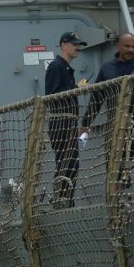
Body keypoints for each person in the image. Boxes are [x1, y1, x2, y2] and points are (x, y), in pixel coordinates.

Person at [45, 31, 85, 207]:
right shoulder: (56, 67)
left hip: (67, 124)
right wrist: (76, 89)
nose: (78, 47)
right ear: (64, 45)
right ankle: (62, 203)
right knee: (66, 164)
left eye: (79, 45)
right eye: (74, 44)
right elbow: (52, 96)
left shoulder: (66, 68)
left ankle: (65, 202)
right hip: (60, 125)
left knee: (71, 164)